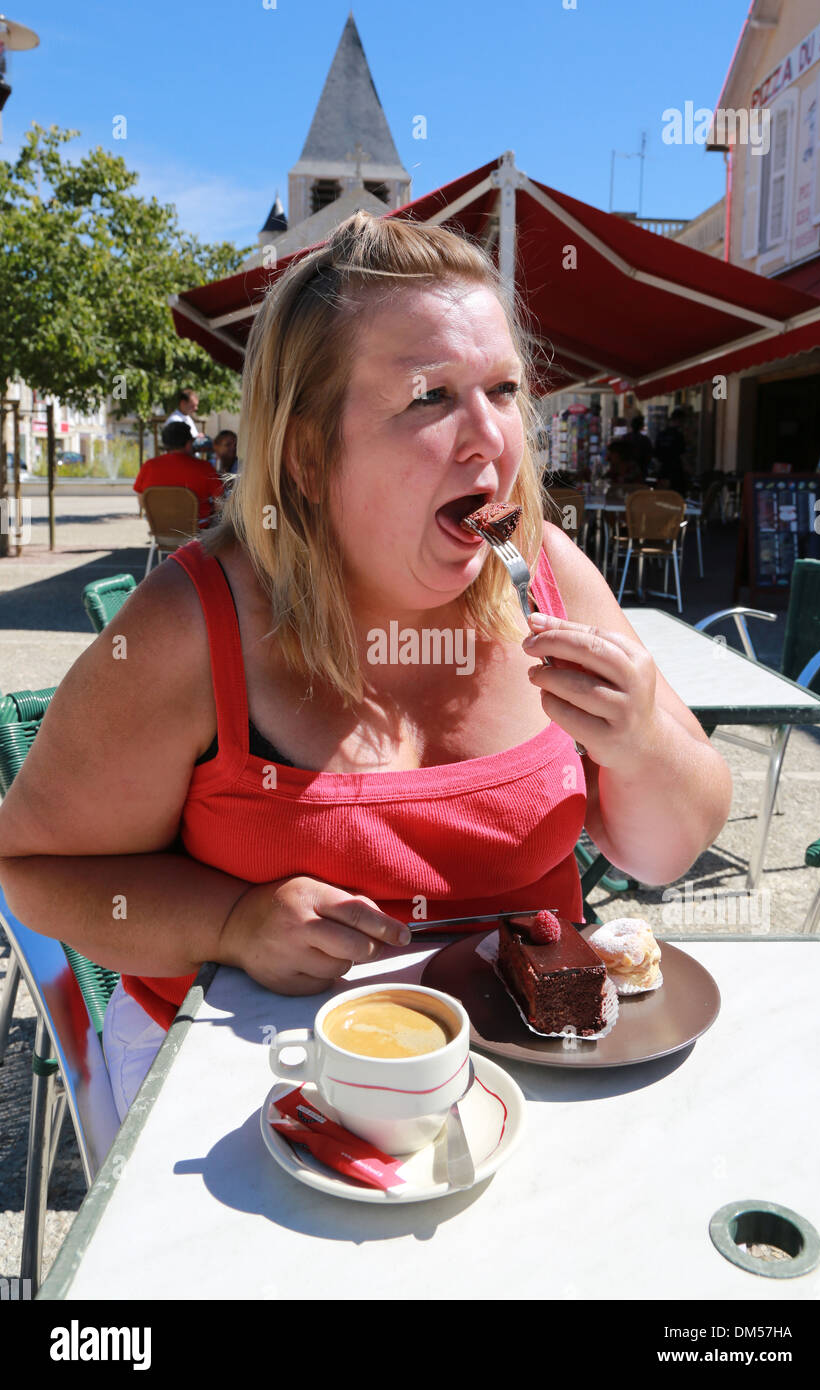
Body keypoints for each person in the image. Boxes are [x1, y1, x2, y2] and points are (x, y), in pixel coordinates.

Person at [0, 212, 732, 1119]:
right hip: (252, 1092)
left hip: (535, 1070)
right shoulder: (195, 623)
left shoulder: (545, 571)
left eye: (502, 391)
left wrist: (643, 741)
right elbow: (33, 867)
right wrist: (229, 922)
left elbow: (665, 849)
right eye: (430, 397)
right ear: (309, 455)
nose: (491, 441)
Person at [133, 420, 224, 523]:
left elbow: (142, 502)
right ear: (189, 443)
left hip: (161, 531)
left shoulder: (148, 466)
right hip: (199, 533)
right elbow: (220, 504)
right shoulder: (205, 468)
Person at [654, 408, 688, 495]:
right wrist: (687, 469)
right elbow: (682, 455)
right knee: (676, 497)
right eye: (683, 421)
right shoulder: (678, 435)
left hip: (663, 471)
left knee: (663, 496)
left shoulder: (661, 434)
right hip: (676, 471)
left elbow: (656, 455)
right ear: (679, 420)